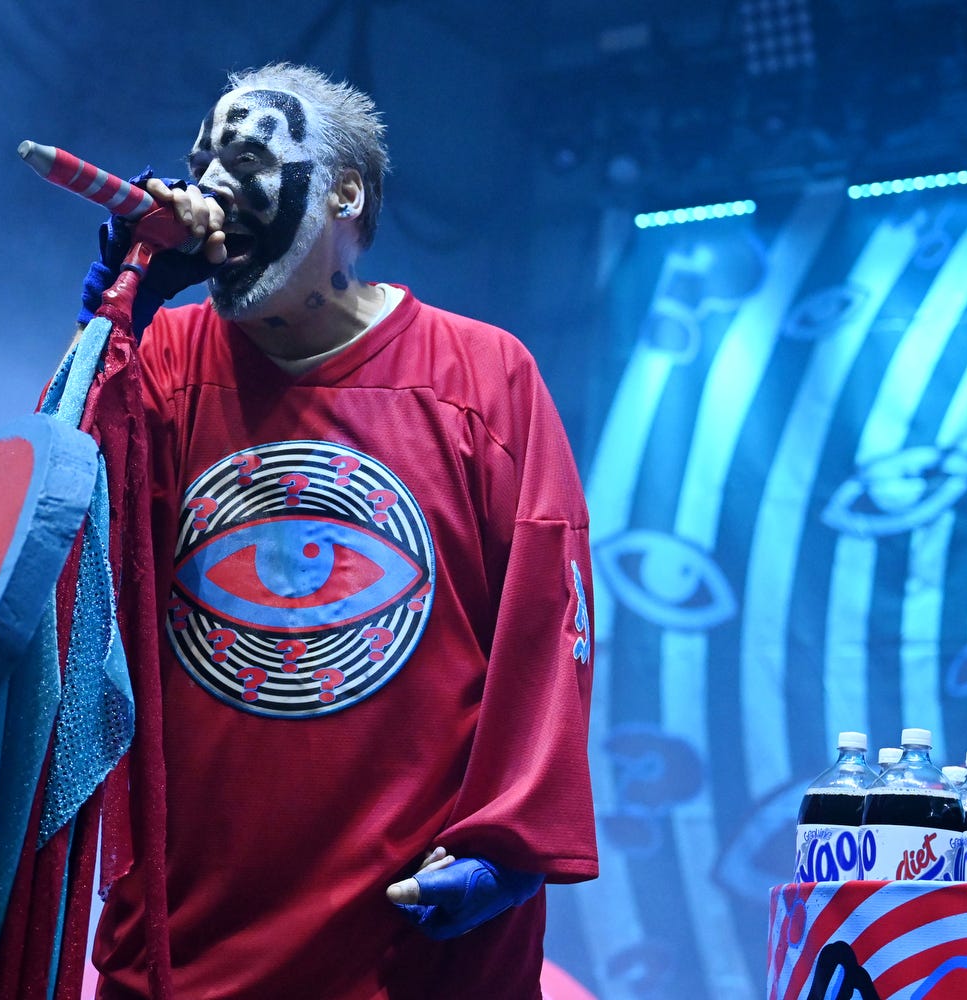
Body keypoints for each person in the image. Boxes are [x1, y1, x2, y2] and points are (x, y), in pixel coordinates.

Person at [77, 62, 598, 999]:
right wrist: (115, 320)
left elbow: (547, 625)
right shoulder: (162, 363)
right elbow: (62, 547)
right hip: (188, 943)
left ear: (346, 191)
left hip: (414, 945)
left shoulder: (481, 376)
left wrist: (511, 844)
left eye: (245, 158)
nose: (210, 188)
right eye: (200, 165)